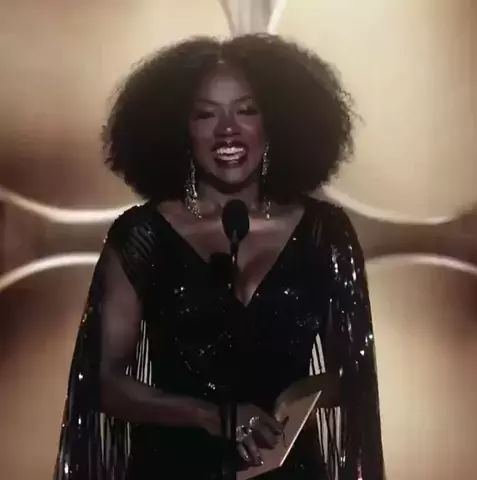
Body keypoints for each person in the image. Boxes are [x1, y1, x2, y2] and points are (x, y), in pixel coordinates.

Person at [54, 34, 384, 479]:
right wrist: (209, 416)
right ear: (179, 129)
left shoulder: (325, 233)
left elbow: (353, 369)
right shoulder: (141, 235)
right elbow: (107, 383)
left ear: (276, 121)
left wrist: (297, 395)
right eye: (205, 114)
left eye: (246, 110)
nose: (228, 129)